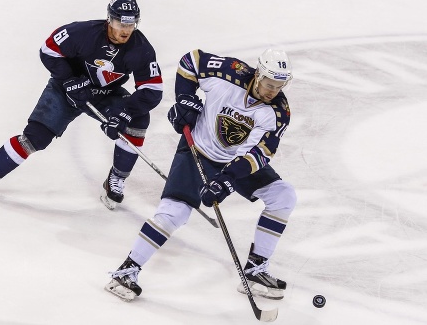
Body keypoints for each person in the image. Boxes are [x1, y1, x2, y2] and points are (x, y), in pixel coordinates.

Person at [105, 48, 297, 302]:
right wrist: (185, 100)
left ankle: (255, 269)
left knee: (283, 196)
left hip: (237, 162)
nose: (273, 91)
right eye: (270, 84)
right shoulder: (230, 73)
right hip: (198, 148)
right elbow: (190, 61)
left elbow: (262, 153)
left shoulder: (279, 111)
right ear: (258, 74)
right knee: (175, 212)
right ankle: (126, 272)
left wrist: (228, 179)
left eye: (280, 86)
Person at [0, 0, 163, 209]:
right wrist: (69, 80)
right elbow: (48, 49)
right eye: (119, 23)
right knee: (35, 138)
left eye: (131, 24)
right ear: (109, 19)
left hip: (107, 94)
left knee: (137, 120)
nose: (125, 30)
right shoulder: (83, 33)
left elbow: (152, 89)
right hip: (65, 90)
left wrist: (124, 113)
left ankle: (116, 179)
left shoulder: (141, 49)